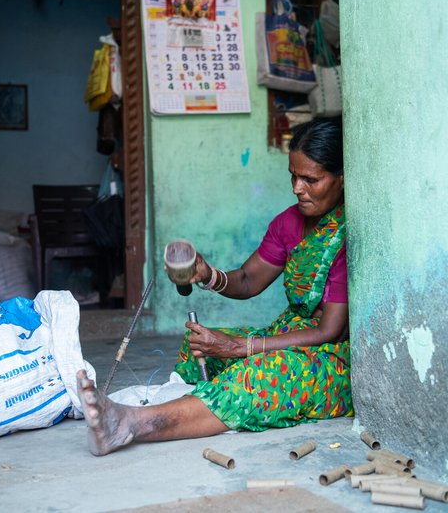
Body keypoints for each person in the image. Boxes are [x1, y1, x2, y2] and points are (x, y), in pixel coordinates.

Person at [76, 118, 351, 456]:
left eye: (311, 179)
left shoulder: (346, 233)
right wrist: (207, 275)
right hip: (287, 334)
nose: (297, 187)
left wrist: (241, 347)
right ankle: (191, 410)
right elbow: (248, 280)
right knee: (199, 350)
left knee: (257, 378)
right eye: (293, 176)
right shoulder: (288, 223)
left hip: (332, 357)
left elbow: (329, 331)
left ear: (342, 178)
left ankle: (132, 423)